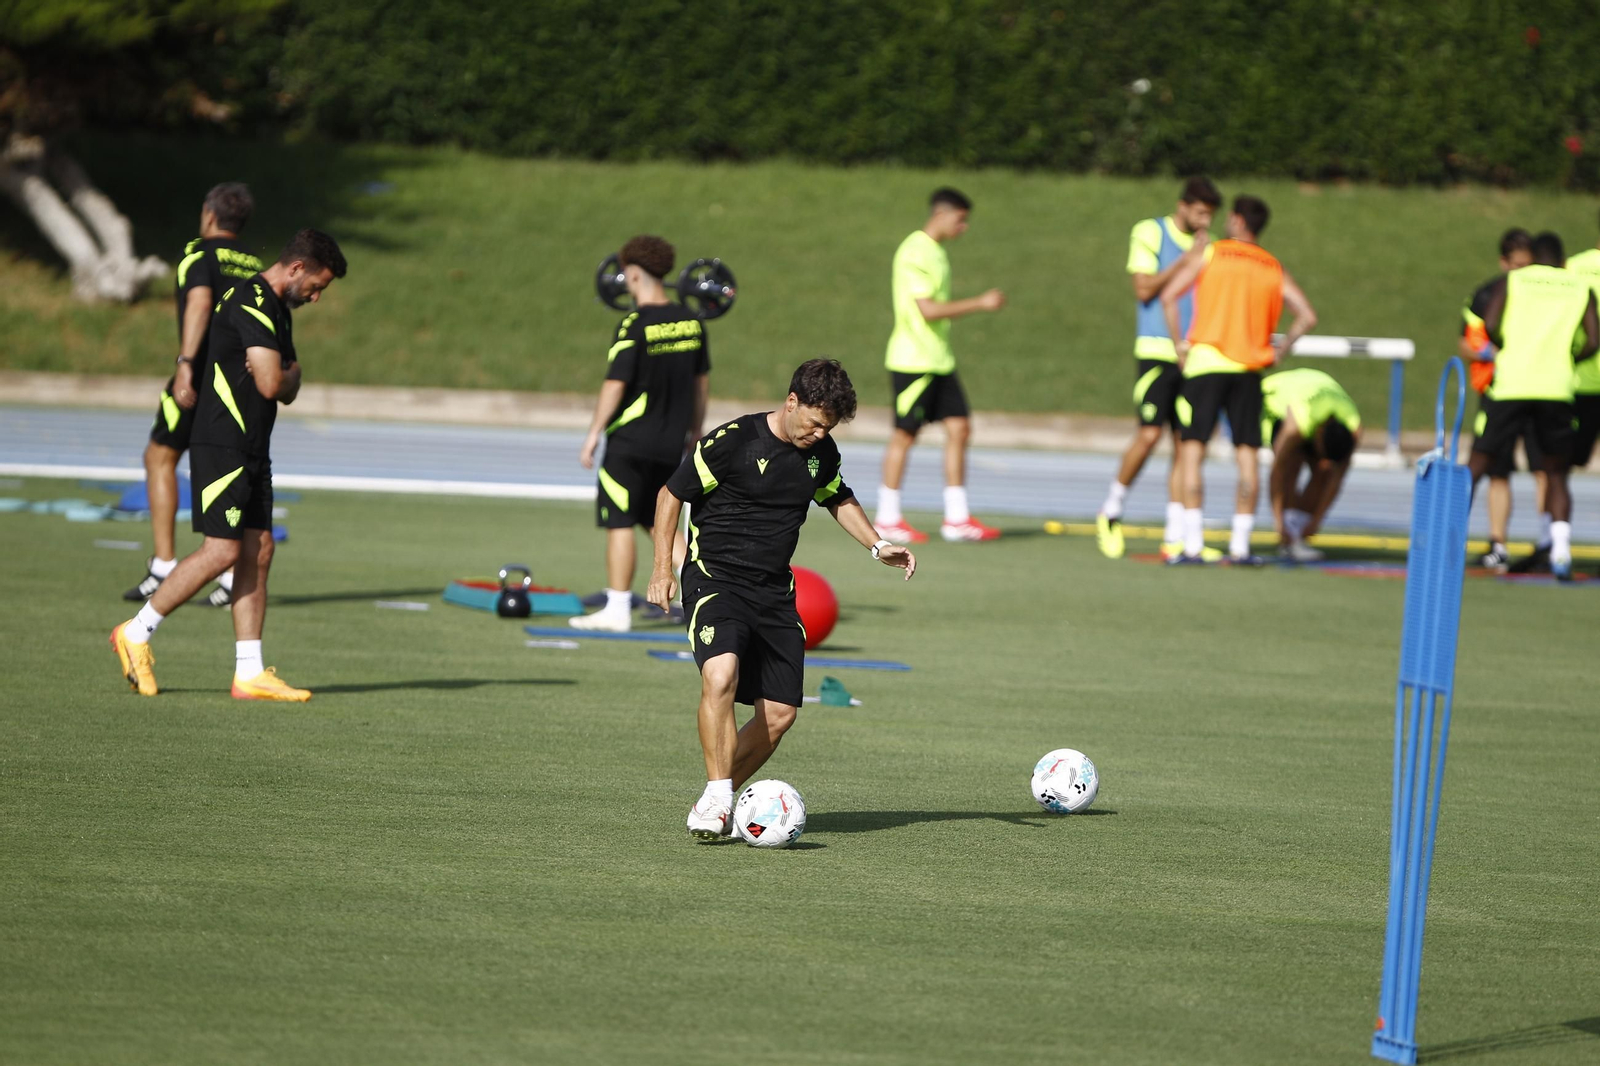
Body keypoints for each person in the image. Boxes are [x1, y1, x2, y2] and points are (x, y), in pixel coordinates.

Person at [646, 359, 917, 841]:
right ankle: (716, 798)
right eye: (813, 422)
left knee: (779, 714)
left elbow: (837, 496)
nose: (818, 434)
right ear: (791, 402)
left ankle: (722, 799)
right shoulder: (732, 441)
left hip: (774, 592)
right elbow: (671, 494)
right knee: (721, 673)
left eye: (827, 427)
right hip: (716, 581)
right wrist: (663, 568)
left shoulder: (820, 453)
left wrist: (878, 545)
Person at [110, 229, 348, 699]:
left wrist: (286, 375)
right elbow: (272, 382)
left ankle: (249, 672)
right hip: (224, 442)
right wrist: (287, 375)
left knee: (259, 550)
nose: (317, 298)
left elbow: (288, 381)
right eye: (316, 286)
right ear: (296, 267)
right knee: (222, 550)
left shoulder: (279, 309)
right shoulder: (252, 300)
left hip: (254, 446)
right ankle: (136, 632)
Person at [123, 183, 264, 606]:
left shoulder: (198, 255)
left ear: (208, 214)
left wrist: (186, 362)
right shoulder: (255, 264)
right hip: (244, 386)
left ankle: (165, 565)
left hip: (202, 377)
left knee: (159, 456)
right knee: (233, 471)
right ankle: (229, 576)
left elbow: (200, 304)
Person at [1159, 195, 1318, 565]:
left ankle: (1193, 544)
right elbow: (1306, 315)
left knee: (1192, 450)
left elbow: (1169, 296)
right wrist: (1282, 348)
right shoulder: (1271, 266)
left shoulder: (1212, 253)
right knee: (1247, 454)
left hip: (1206, 362)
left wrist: (1179, 347)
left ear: (1235, 220)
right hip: (1248, 368)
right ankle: (1241, 545)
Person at [570, 235, 706, 632]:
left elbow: (615, 384)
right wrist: (696, 430)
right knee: (657, 516)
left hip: (630, 441)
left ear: (632, 274)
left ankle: (616, 608)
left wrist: (594, 432)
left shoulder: (634, 324)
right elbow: (701, 383)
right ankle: (698, 595)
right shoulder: (692, 322)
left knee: (620, 520)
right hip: (671, 443)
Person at [1097, 176, 1222, 560]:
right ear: (1183, 206)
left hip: (1196, 355)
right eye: (1200, 213)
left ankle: (1176, 535)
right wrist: (1187, 260)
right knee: (1149, 434)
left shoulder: (1211, 248)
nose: (1204, 222)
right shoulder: (1151, 232)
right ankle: (1111, 511)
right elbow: (1144, 289)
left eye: (1210, 215)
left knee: (1187, 445)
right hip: (1156, 351)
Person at [873, 187, 1006, 544]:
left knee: (960, 428)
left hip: (939, 360)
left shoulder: (937, 253)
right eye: (961, 220)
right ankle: (886, 518)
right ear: (941, 215)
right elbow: (927, 310)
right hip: (913, 360)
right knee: (905, 434)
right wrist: (980, 303)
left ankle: (957, 518)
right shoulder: (915, 251)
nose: (964, 228)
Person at [1469, 231, 1599, 582]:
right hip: (1556, 388)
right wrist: (1570, 356)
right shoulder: (1577, 286)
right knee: (1555, 473)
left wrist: (1511, 347)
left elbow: (1491, 325)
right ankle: (1560, 549)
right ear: (1562, 259)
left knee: (1480, 460)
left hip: (1513, 384)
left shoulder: (1514, 280)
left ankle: (1447, 538)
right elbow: (1594, 339)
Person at [1459, 228, 1545, 572]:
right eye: (1517, 267)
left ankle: (1548, 542)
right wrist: (1487, 352)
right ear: (1504, 263)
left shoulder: (1544, 293)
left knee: (1545, 468)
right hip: (1501, 390)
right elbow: (1467, 342)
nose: (1523, 274)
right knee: (1496, 468)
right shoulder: (1487, 295)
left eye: (1529, 266)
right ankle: (1498, 544)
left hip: (1540, 388)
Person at [1259, 368, 1361, 562]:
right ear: (1319, 434)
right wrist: (1278, 522)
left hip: (1316, 389)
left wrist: (1316, 521)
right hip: (1276, 399)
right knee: (1291, 464)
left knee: (1325, 469)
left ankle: (1298, 534)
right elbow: (1276, 472)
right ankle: (1287, 536)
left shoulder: (1354, 427)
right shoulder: (1296, 426)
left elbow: (1337, 478)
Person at [1565, 211, 1600, 482]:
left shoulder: (1572, 266)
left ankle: (1555, 523)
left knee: (1561, 465)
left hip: (1578, 378)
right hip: (1582, 379)